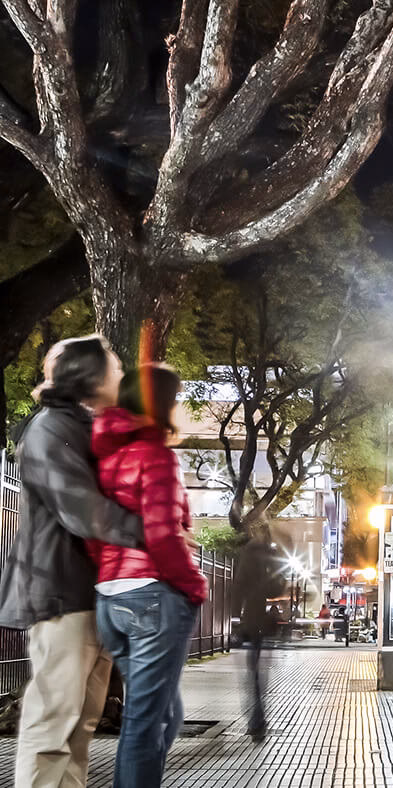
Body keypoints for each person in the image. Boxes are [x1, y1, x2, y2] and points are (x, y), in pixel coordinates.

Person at [0, 336, 145, 788]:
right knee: (52, 725)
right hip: (61, 594)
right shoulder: (49, 430)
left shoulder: (81, 426)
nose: (120, 375)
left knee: (79, 726)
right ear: (90, 376)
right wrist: (152, 533)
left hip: (88, 595)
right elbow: (81, 509)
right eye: (114, 367)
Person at [88, 363, 208, 788]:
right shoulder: (157, 456)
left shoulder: (106, 459)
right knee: (145, 721)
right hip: (153, 596)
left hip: (110, 599)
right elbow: (160, 533)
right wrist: (194, 586)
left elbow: (93, 531)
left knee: (164, 712)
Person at [231, 532, 286, 741]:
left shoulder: (248, 556)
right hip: (262, 625)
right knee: (258, 677)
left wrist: (236, 620)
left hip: (253, 624)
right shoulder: (265, 557)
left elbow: (237, 591)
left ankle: (256, 720)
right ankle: (257, 720)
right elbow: (275, 587)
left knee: (253, 675)